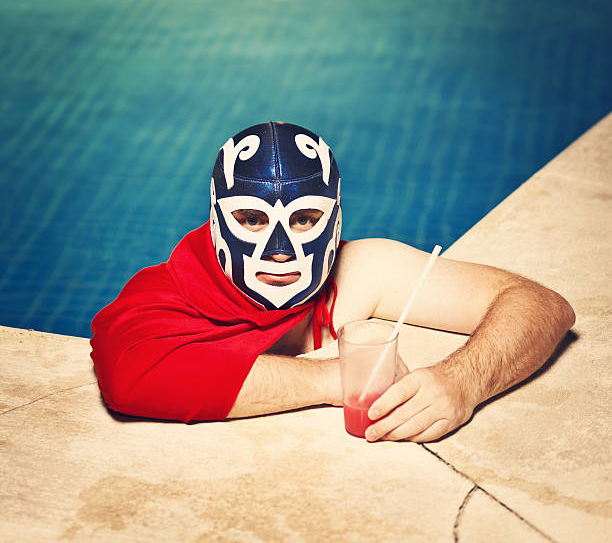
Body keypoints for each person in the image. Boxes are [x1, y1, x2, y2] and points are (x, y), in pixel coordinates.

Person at [91, 121, 575, 443]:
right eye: (251, 219)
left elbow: (541, 304)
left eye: (304, 218)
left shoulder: (362, 272)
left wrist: (462, 381)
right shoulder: (167, 294)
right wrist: (335, 378)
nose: (279, 246)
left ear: (336, 222)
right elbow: (131, 377)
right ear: (217, 223)